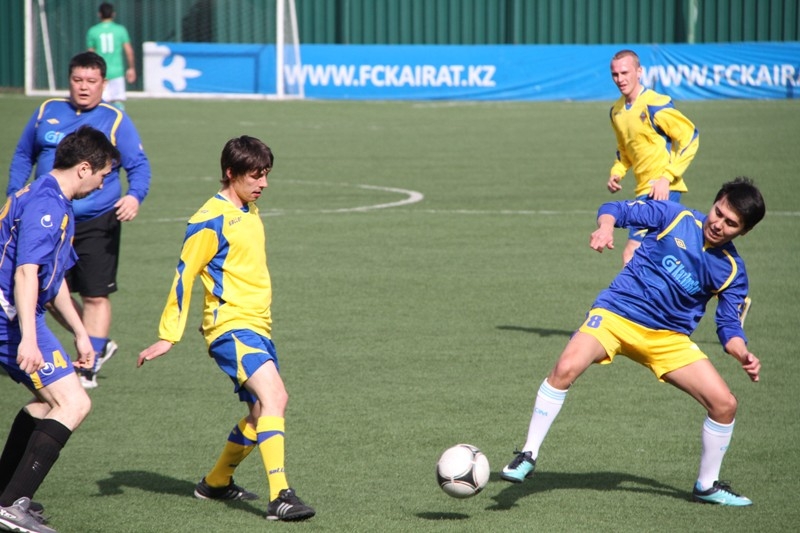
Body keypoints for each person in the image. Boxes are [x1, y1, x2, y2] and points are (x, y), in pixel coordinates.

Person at [500, 177, 765, 507]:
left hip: (667, 338)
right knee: (566, 366)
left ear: (744, 231)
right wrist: (605, 228)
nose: (718, 224)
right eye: (718, 212)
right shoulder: (675, 217)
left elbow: (728, 326)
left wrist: (742, 353)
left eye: (731, 223)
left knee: (725, 405)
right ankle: (528, 454)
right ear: (714, 203)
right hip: (616, 315)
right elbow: (614, 209)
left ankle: (707, 485)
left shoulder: (732, 271)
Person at [137, 136, 315, 522]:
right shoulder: (209, 219)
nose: (263, 183)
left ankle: (215, 483)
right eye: (255, 176)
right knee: (276, 397)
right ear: (231, 173)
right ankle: (280, 495)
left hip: (257, 326)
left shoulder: (249, 208)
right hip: (231, 329)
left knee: (260, 413)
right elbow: (184, 275)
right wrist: (168, 335)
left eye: (266, 175)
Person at [0, 126, 120, 533]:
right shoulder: (46, 205)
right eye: (102, 175)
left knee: (47, 404)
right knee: (74, 403)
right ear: (84, 168)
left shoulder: (53, 199)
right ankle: (11, 505)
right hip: (11, 319)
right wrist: (29, 340)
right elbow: (26, 273)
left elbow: (53, 285)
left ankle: (5, 494)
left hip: (21, 315)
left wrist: (81, 333)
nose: (103, 184)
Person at [8, 51, 151, 389]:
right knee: (48, 289)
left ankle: (88, 366)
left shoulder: (114, 119)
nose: (83, 87)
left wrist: (134, 195)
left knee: (95, 294)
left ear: (104, 83)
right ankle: (92, 342)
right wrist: (15, 194)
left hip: (97, 221)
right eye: (77, 80)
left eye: (91, 81)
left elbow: (138, 165)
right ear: (68, 80)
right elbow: (23, 154)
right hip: (48, 217)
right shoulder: (47, 111)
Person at [607, 49, 700, 266]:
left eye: (625, 73)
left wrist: (666, 178)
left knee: (632, 253)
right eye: (615, 74)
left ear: (639, 72)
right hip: (644, 191)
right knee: (664, 255)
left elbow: (690, 137)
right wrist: (617, 172)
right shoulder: (616, 111)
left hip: (662, 190)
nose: (620, 79)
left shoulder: (654, 104)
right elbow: (625, 150)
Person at [86, 2, 136, 110]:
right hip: (117, 72)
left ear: (99, 14)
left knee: (101, 104)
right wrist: (131, 68)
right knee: (118, 104)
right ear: (113, 14)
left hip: (101, 73)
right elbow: (129, 51)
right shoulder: (120, 30)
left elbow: (90, 54)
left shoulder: (93, 31)